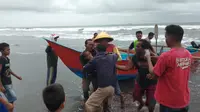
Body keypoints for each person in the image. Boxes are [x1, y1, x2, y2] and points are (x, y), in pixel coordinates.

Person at [145, 25, 191, 112]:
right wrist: (157, 58)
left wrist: (148, 58)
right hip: (184, 99)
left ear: (170, 37)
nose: (165, 39)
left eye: (166, 36)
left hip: (169, 102)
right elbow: (174, 65)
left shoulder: (166, 56)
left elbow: (152, 73)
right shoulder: (187, 53)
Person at [116, 39, 157, 112]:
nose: (135, 48)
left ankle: (149, 107)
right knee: (136, 96)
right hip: (140, 80)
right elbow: (127, 67)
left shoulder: (152, 57)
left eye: (138, 46)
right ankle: (141, 103)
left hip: (152, 82)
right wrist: (115, 65)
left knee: (151, 106)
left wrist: (150, 55)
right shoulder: (135, 57)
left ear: (144, 48)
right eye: (136, 46)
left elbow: (160, 67)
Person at [93, 32, 124, 108]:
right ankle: (106, 107)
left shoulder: (113, 47)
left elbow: (119, 57)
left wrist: (109, 55)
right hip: (101, 73)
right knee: (104, 92)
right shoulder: (97, 48)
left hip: (112, 72)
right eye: (100, 40)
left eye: (104, 40)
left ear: (107, 40)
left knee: (117, 90)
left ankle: (122, 100)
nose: (102, 42)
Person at [83, 44, 118, 112]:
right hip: (112, 87)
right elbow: (116, 55)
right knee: (105, 106)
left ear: (97, 50)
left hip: (103, 88)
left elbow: (85, 69)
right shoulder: (113, 56)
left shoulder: (96, 59)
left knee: (88, 105)